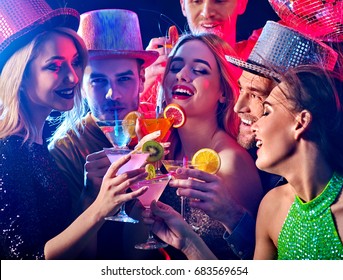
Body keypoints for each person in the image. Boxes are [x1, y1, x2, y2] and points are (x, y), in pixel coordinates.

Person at [145, 21, 341, 260]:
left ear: (301, 118)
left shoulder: (245, 164)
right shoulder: (274, 201)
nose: (239, 106)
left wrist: (231, 216)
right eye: (241, 90)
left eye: (259, 98)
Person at [0, 0, 148, 260]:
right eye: (55, 66)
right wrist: (100, 207)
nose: (73, 77)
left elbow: (70, 247)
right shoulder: (7, 151)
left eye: (75, 62)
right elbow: (23, 263)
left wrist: (89, 195)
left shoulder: (33, 144)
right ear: (20, 77)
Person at [48, 9, 164, 259]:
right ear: (80, 83)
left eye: (124, 79)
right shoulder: (64, 149)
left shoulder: (159, 135)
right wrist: (90, 197)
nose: (113, 94)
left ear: (142, 79)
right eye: (98, 81)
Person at [158, 32, 263, 260]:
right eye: (175, 67)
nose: (182, 75)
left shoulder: (230, 162)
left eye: (199, 70)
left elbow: (258, 255)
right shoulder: (162, 151)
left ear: (223, 92)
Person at [252, 64, 343, 259]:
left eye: (267, 112)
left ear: (301, 122)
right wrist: (189, 244)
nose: (255, 125)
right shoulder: (272, 207)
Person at [140, 0, 260, 112]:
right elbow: (127, 127)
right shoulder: (161, 74)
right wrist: (137, 88)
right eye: (196, 1)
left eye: (219, 0)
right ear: (183, 5)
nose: (206, 13)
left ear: (242, 3)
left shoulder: (260, 53)